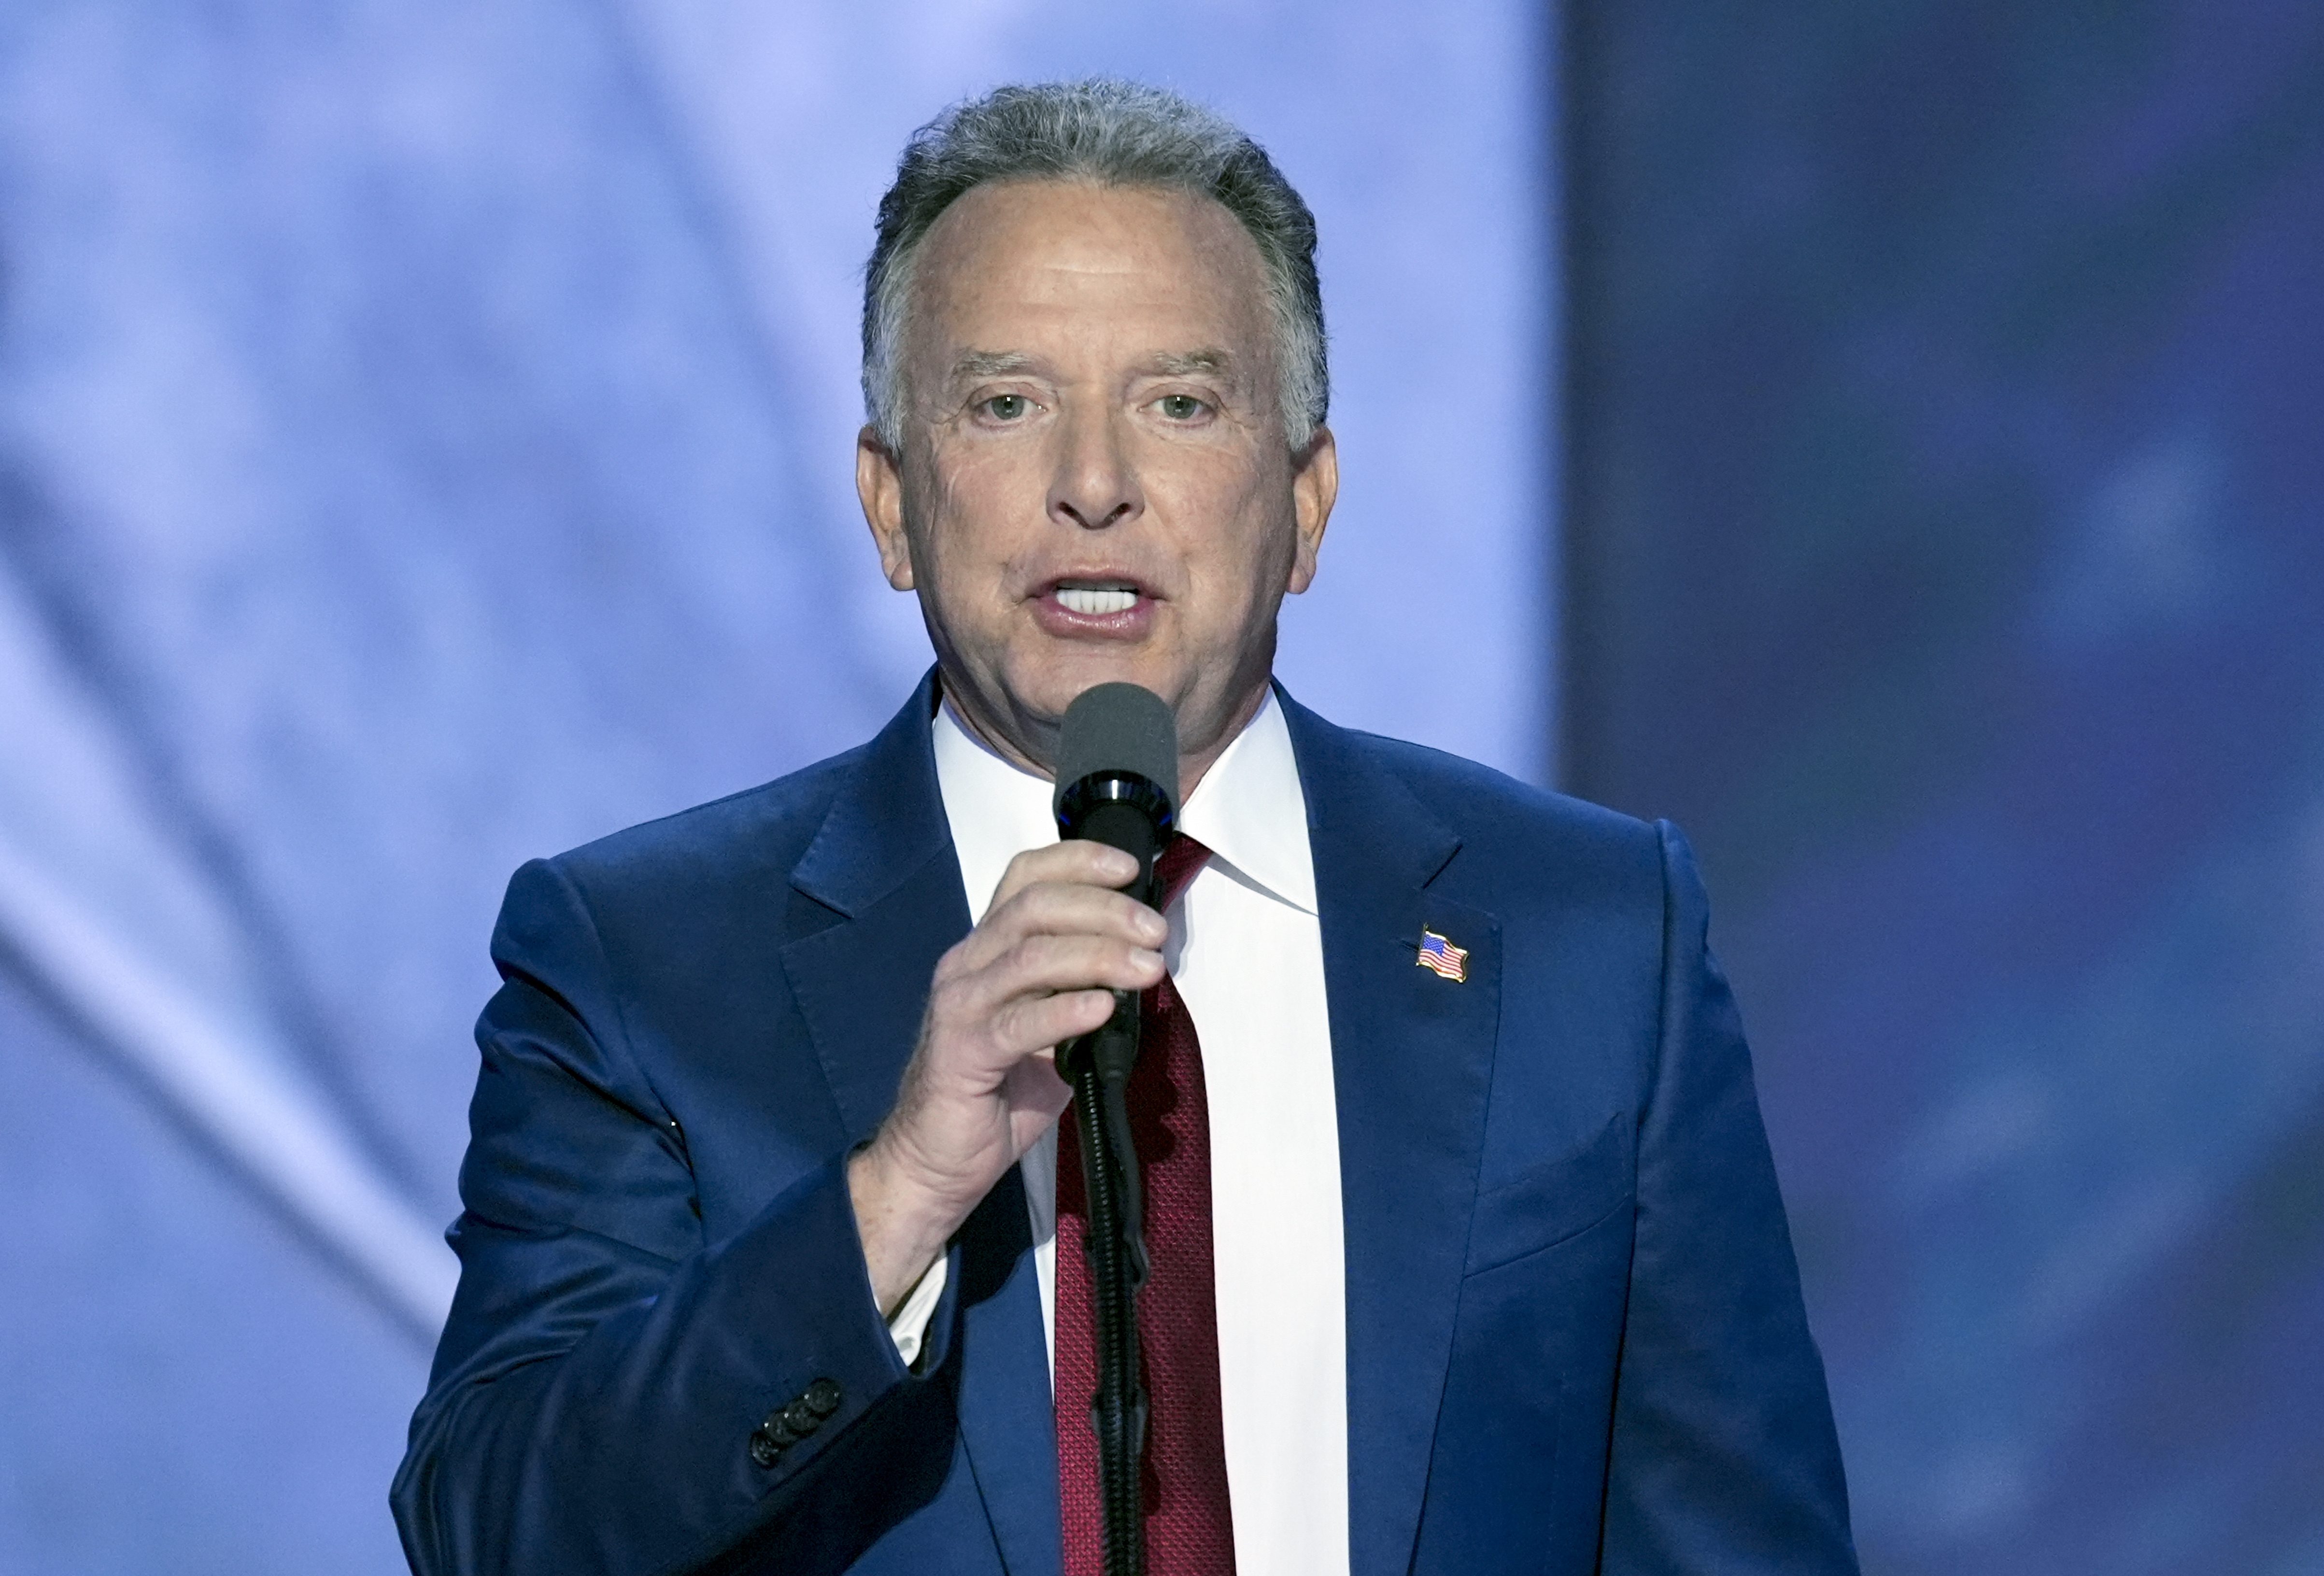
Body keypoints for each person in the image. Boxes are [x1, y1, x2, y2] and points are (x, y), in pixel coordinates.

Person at [392, 79, 1857, 1576]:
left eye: (1180, 404)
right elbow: (494, 1534)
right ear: (892, 508)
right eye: (1006, 404)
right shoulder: (640, 959)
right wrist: (896, 1194)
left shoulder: (1593, 934)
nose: (1094, 487)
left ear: (1308, 504)